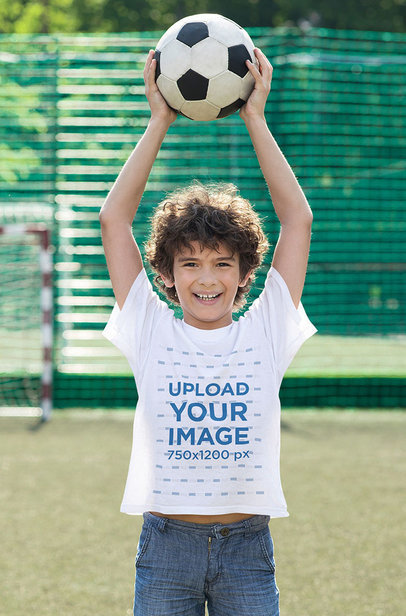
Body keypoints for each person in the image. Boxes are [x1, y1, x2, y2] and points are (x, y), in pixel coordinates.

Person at [100, 47, 316, 616]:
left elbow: (298, 220)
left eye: (222, 263)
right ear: (166, 273)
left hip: (248, 547)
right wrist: (159, 120)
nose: (207, 278)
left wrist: (256, 119)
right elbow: (114, 219)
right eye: (190, 263)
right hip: (166, 546)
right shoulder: (148, 324)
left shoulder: (268, 326)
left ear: (247, 272)